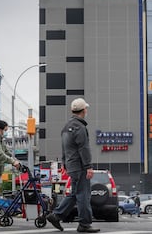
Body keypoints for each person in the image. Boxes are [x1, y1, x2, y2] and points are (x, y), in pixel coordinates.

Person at [46, 98, 100, 233]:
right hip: (80, 166)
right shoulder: (80, 127)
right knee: (83, 195)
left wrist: (64, 163)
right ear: (84, 111)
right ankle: (84, 224)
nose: (87, 110)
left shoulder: (66, 127)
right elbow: (84, 148)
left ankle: (56, 215)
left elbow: (64, 148)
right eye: (86, 109)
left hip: (71, 165)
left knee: (75, 194)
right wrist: (88, 166)